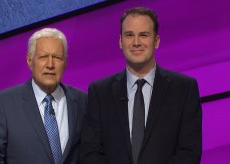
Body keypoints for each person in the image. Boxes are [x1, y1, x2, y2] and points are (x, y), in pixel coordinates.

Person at [80, 7, 202, 164]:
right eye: (129, 35)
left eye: (144, 35)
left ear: (156, 41)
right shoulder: (99, 92)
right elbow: (91, 153)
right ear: (120, 41)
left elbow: (189, 152)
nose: (136, 42)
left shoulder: (184, 89)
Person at [0, 28, 87, 164]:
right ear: (29, 60)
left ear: (65, 62)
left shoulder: (83, 101)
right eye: (43, 57)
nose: (50, 65)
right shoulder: (4, 104)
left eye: (57, 57)